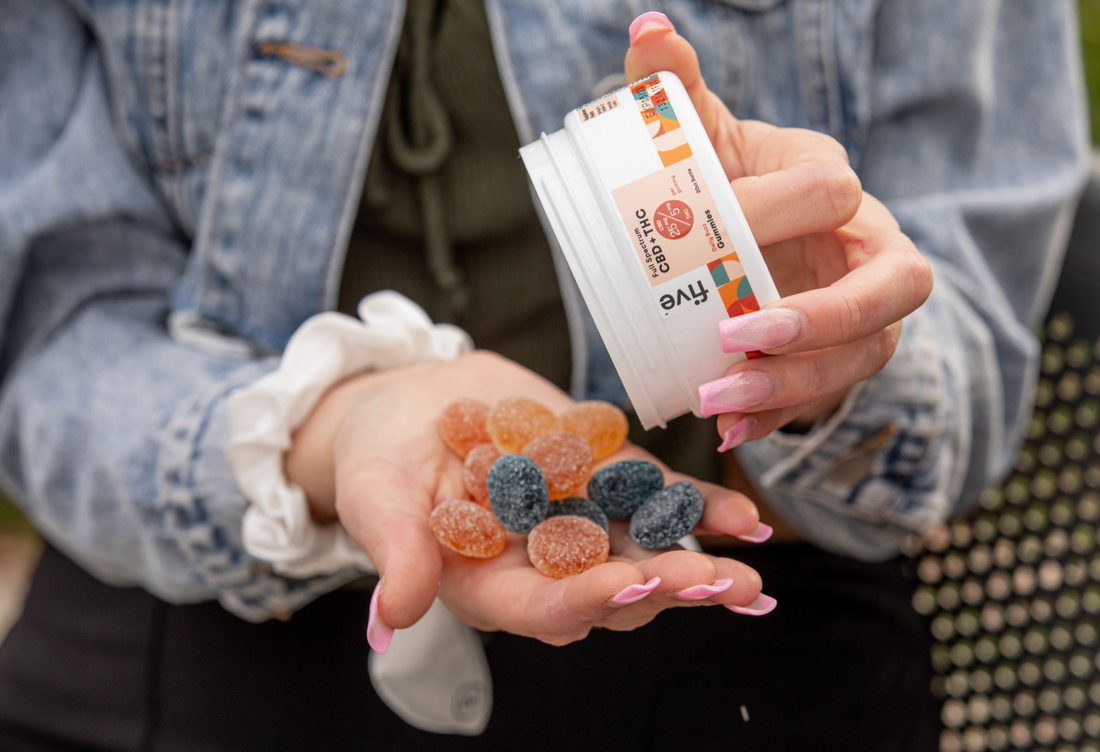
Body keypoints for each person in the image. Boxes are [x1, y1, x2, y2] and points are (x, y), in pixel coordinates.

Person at [0, 1, 1086, 750]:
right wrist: (327, 425)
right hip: (181, 646)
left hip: (742, 649)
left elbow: (977, 353)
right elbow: (51, 328)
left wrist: (825, 348)